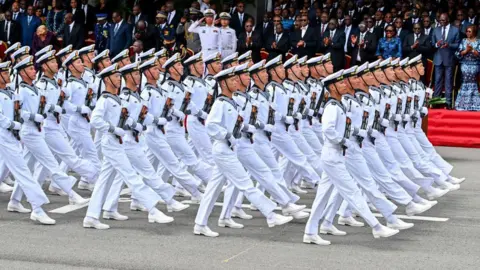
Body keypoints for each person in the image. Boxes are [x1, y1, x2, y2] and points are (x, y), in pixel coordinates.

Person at [432, 13, 460, 109]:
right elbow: (432, 43)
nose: (441, 22)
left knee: (448, 81)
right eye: (440, 20)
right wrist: (436, 44)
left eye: (443, 20)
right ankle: (436, 101)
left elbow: (457, 45)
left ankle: (448, 102)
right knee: (437, 81)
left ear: (448, 20)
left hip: (449, 58)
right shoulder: (436, 30)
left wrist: (449, 45)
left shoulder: (455, 30)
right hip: (438, 58)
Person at [455, 25, 480, 111]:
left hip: (474, 65)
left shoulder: (478, 42)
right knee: (465, 82)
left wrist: (472, 50)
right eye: (467, 31)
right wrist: (465, 51)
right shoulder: (463, 41)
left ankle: (474, 105)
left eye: (470, 31)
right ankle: (462, 105)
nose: (467, 33)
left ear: (474, 32)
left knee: (472, 82)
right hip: (464, 65)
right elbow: (457, 54)